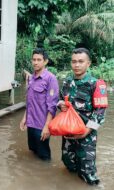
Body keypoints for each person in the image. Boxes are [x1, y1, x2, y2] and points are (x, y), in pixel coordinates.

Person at [58, 48, 107, 185]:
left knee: (87, 172)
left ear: (88, 63)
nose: (77, 65)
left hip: (87, 136)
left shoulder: (96, 84)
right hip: (68, 134)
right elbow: (61, 99)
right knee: (69, 163)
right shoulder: (67, 82)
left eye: (81, 61)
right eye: (74, 62)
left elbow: (100, 113)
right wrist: (61, 104)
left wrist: (86, 131)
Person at [19, 48, 59, 160]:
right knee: (32, 151)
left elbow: (52, 106)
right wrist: (24, 118)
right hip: (31, 123)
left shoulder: (51, 79)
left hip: (42, 125)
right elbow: (30, 101)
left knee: (44, 156)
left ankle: (45, 176)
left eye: (39, 60)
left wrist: (47, 127)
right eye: (34, 59)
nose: (35, 62)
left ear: (45, 61)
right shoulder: (31, 78)